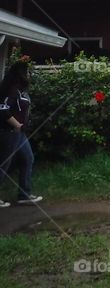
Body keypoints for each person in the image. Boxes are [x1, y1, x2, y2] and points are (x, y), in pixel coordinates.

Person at [0, 60, 43, 207]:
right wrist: (17, 124)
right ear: (21, 73)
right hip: (9, 132)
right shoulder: (11, 90)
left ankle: (24, 194)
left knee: (28, 158)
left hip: (19, 134)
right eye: (28, 71)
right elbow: (3, 109)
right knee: (4, 164)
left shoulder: (22, 91)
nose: (30, 74)